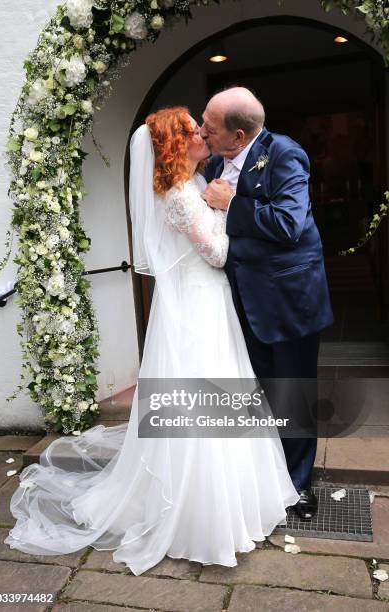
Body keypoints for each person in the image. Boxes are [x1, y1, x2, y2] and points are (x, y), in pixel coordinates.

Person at [4, 107, 300, 576]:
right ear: (176, 145)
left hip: (205, 303)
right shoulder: (182, 195)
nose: (203, 133)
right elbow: (218, 253)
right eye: (193, 130)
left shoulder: (195, 184)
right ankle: (200, 517)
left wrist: (219, 199)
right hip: (196, 309)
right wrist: (226, 206)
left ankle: (230, 503)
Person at [201, 87, 334, 519]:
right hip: (240, 298)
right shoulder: (218, 161)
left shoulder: (285, 155)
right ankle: (265, 477)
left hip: (288, 299)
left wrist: (232, 203)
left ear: (239, 137)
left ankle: (297, 485)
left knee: (292, 394)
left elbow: (288, 223)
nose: (202, 130)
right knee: (259, 394)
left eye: (210, 125)